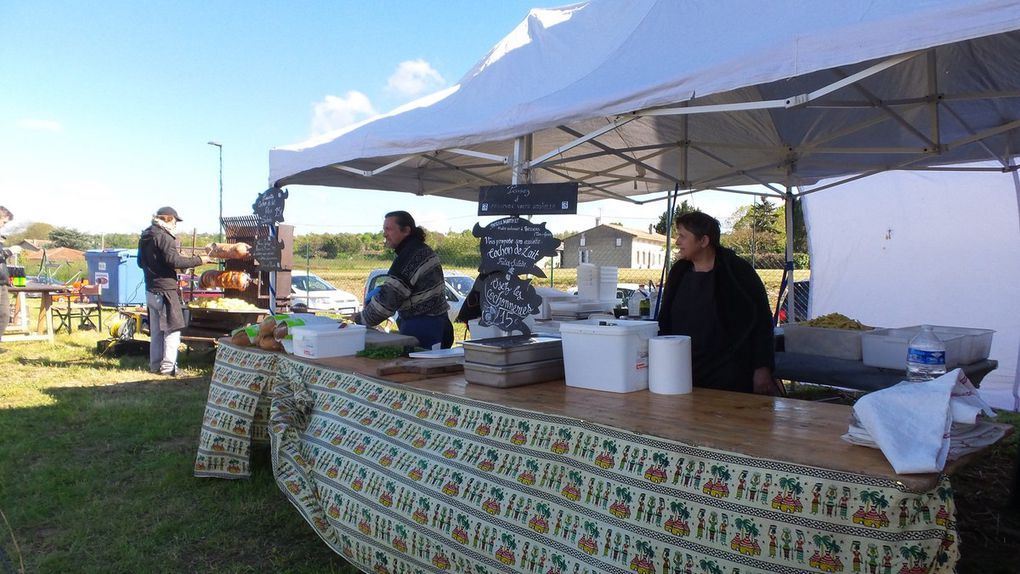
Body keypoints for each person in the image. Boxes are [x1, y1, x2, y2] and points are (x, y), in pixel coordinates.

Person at [657, 211, 778, 395]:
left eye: (683, 236)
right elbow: (665, 319)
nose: (677, 242)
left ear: (703, 241)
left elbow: (761, 320)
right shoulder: (679, 272)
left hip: (729, 373)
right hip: (684, 370)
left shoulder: (737, 271)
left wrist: (762, 367)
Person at [352, 211, 453, 349]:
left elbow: (387, 302)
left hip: (423, 328)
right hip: (438, 323)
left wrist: (359, 319)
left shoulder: (409, 256)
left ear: (406, 230)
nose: (385, 234)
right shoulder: (421, 250)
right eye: (384, 229)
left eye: (389, 229)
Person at [137, 206, 214, 375]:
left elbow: (140, 263)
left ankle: (155, 366)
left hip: (150, 290)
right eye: (174, 221)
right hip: (166, 291)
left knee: (156, 332)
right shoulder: (164, 236)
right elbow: (173, 260)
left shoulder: (145, 235)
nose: (176, 224)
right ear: (168, 219)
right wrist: (199, 260)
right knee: (172, 330)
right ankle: (168, 368)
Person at [0, 206, 13, 354]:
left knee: (4, 314)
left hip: (2, 281)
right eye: (4, 221)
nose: (4, 225)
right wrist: (9, 252)